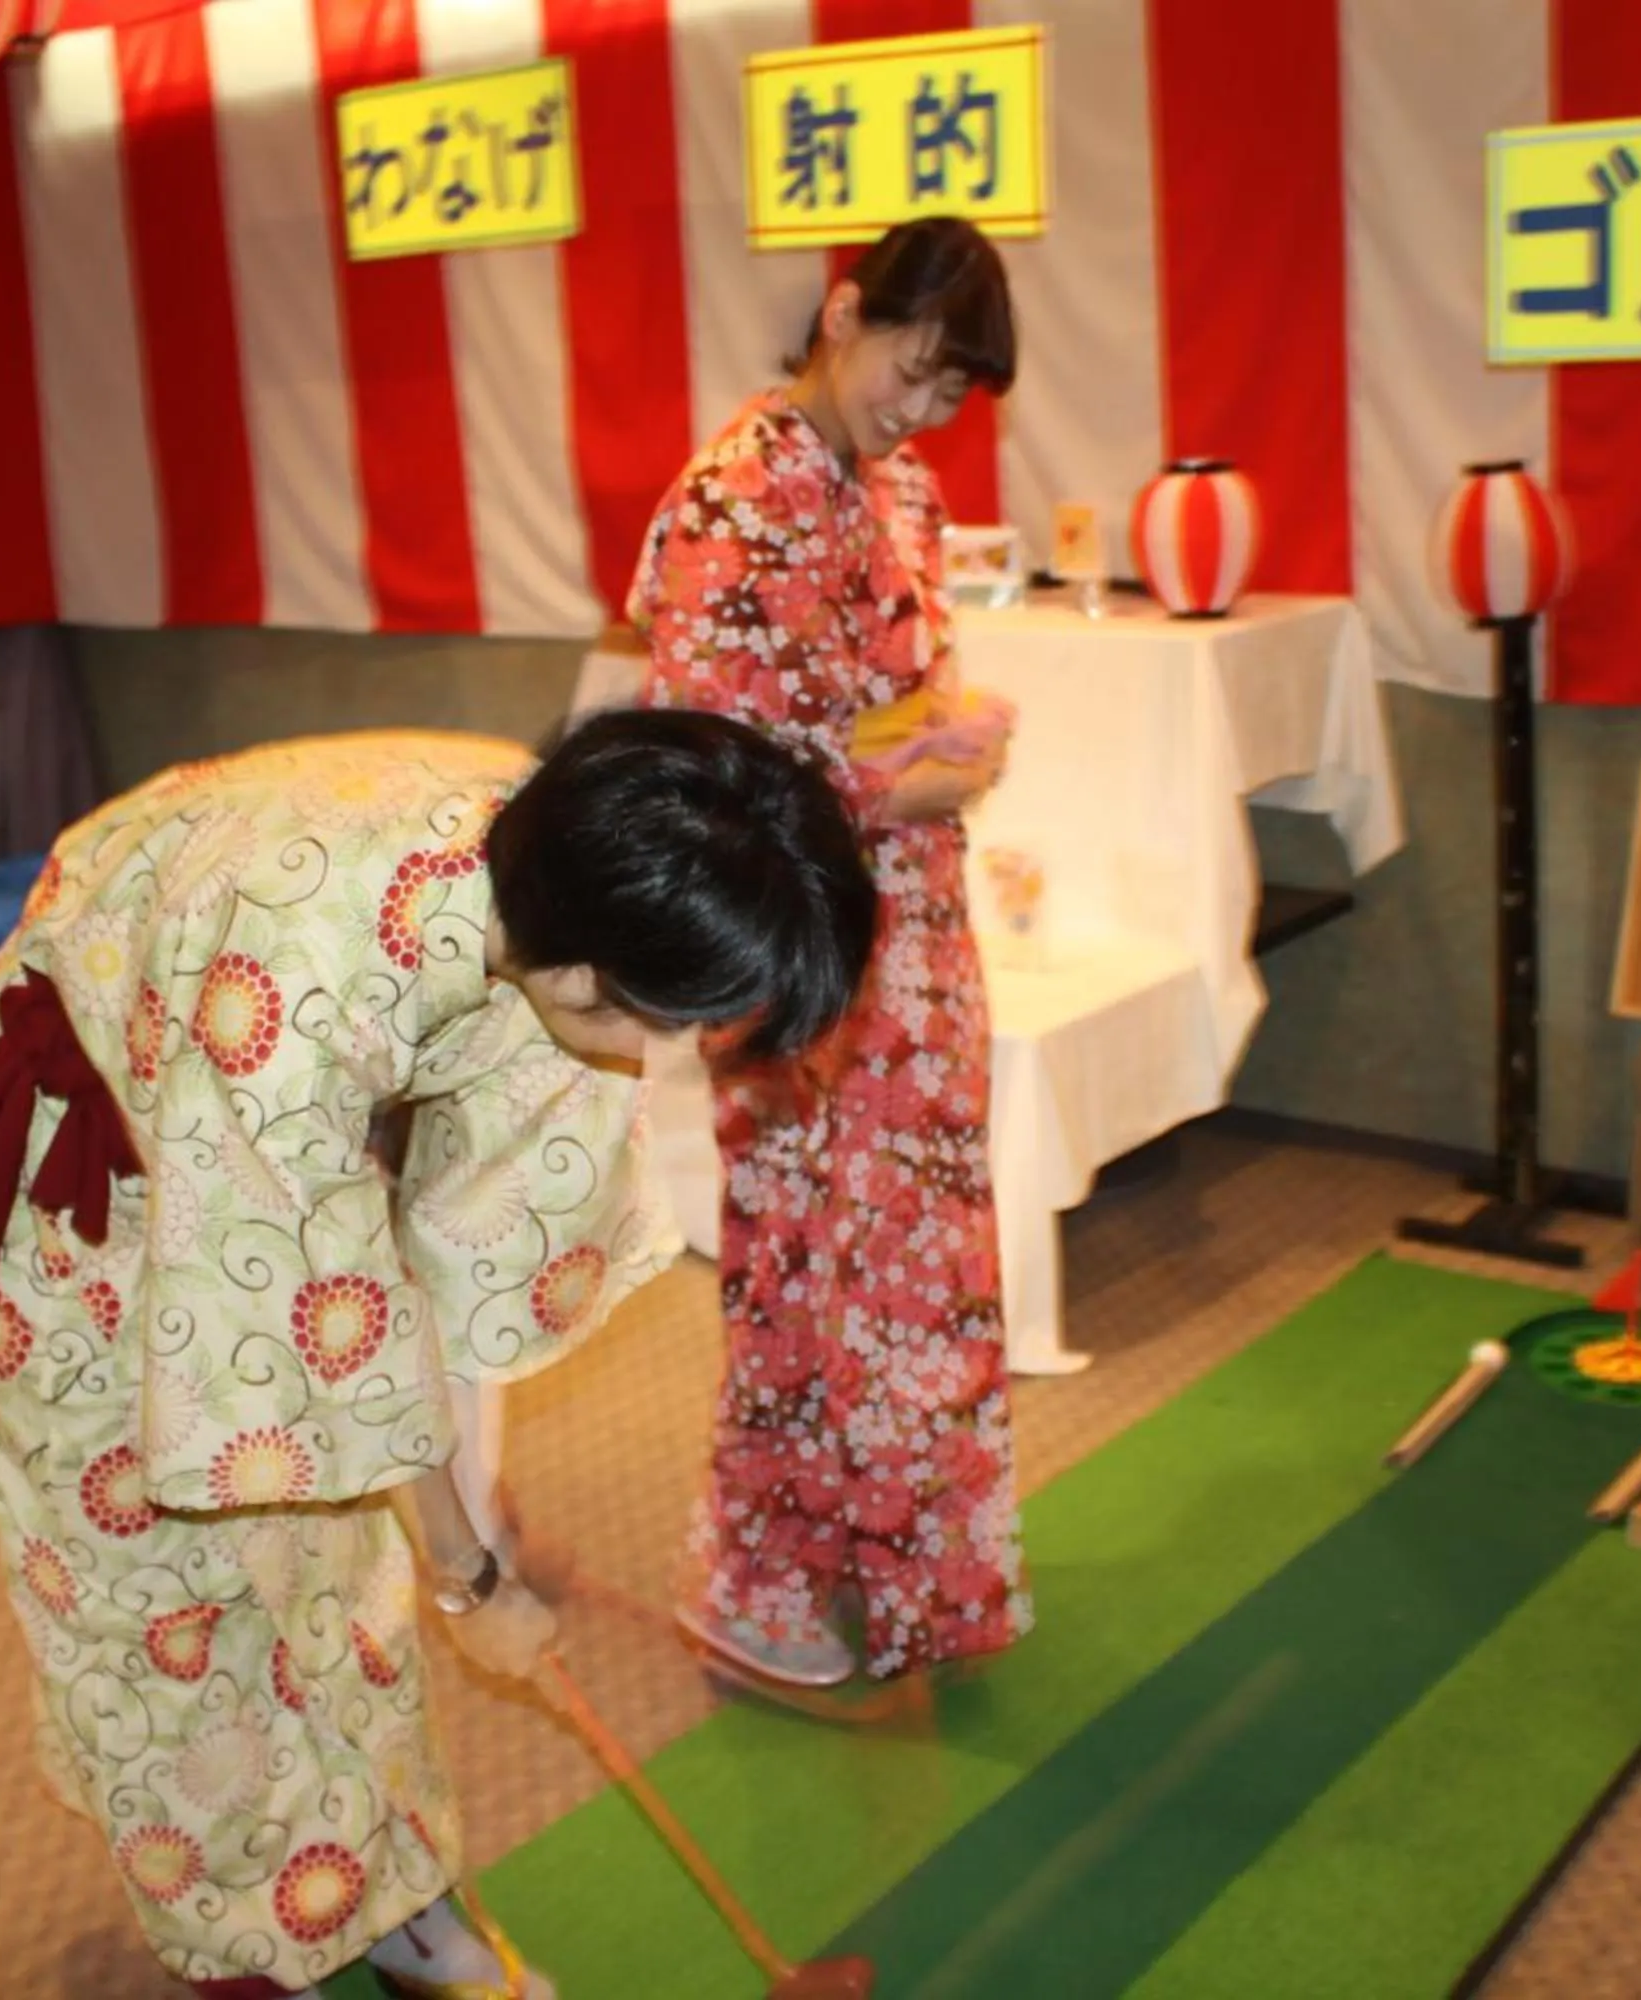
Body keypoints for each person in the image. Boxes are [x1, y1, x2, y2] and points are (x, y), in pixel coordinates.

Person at [0, 713, 876, 2000]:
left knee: (342, 1562)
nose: (695, 1059)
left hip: (263, 1115)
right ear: (581, 977)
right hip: (93, 1147)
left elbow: (465, 1257)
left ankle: (383, 1901)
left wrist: (461, 1515)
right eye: (694, 1029)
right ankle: (246, 1953)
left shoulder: (576, 875)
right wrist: (465, 1567)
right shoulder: (297, 987)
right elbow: (324, 1339)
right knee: (165, 1587)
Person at [630, 215, 1029, 1691]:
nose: (920, 414)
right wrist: (891, 782)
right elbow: (715, 765)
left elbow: (894, 683)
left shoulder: (896, 485)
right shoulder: (740, 492)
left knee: (916, 1260)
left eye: (949, 396)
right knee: (806, 1259)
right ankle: (757, 1574)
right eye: (912, 373)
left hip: (912, 925)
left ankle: (904, 1559)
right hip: (797, 934)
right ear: (842, 310)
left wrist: (952, 731)